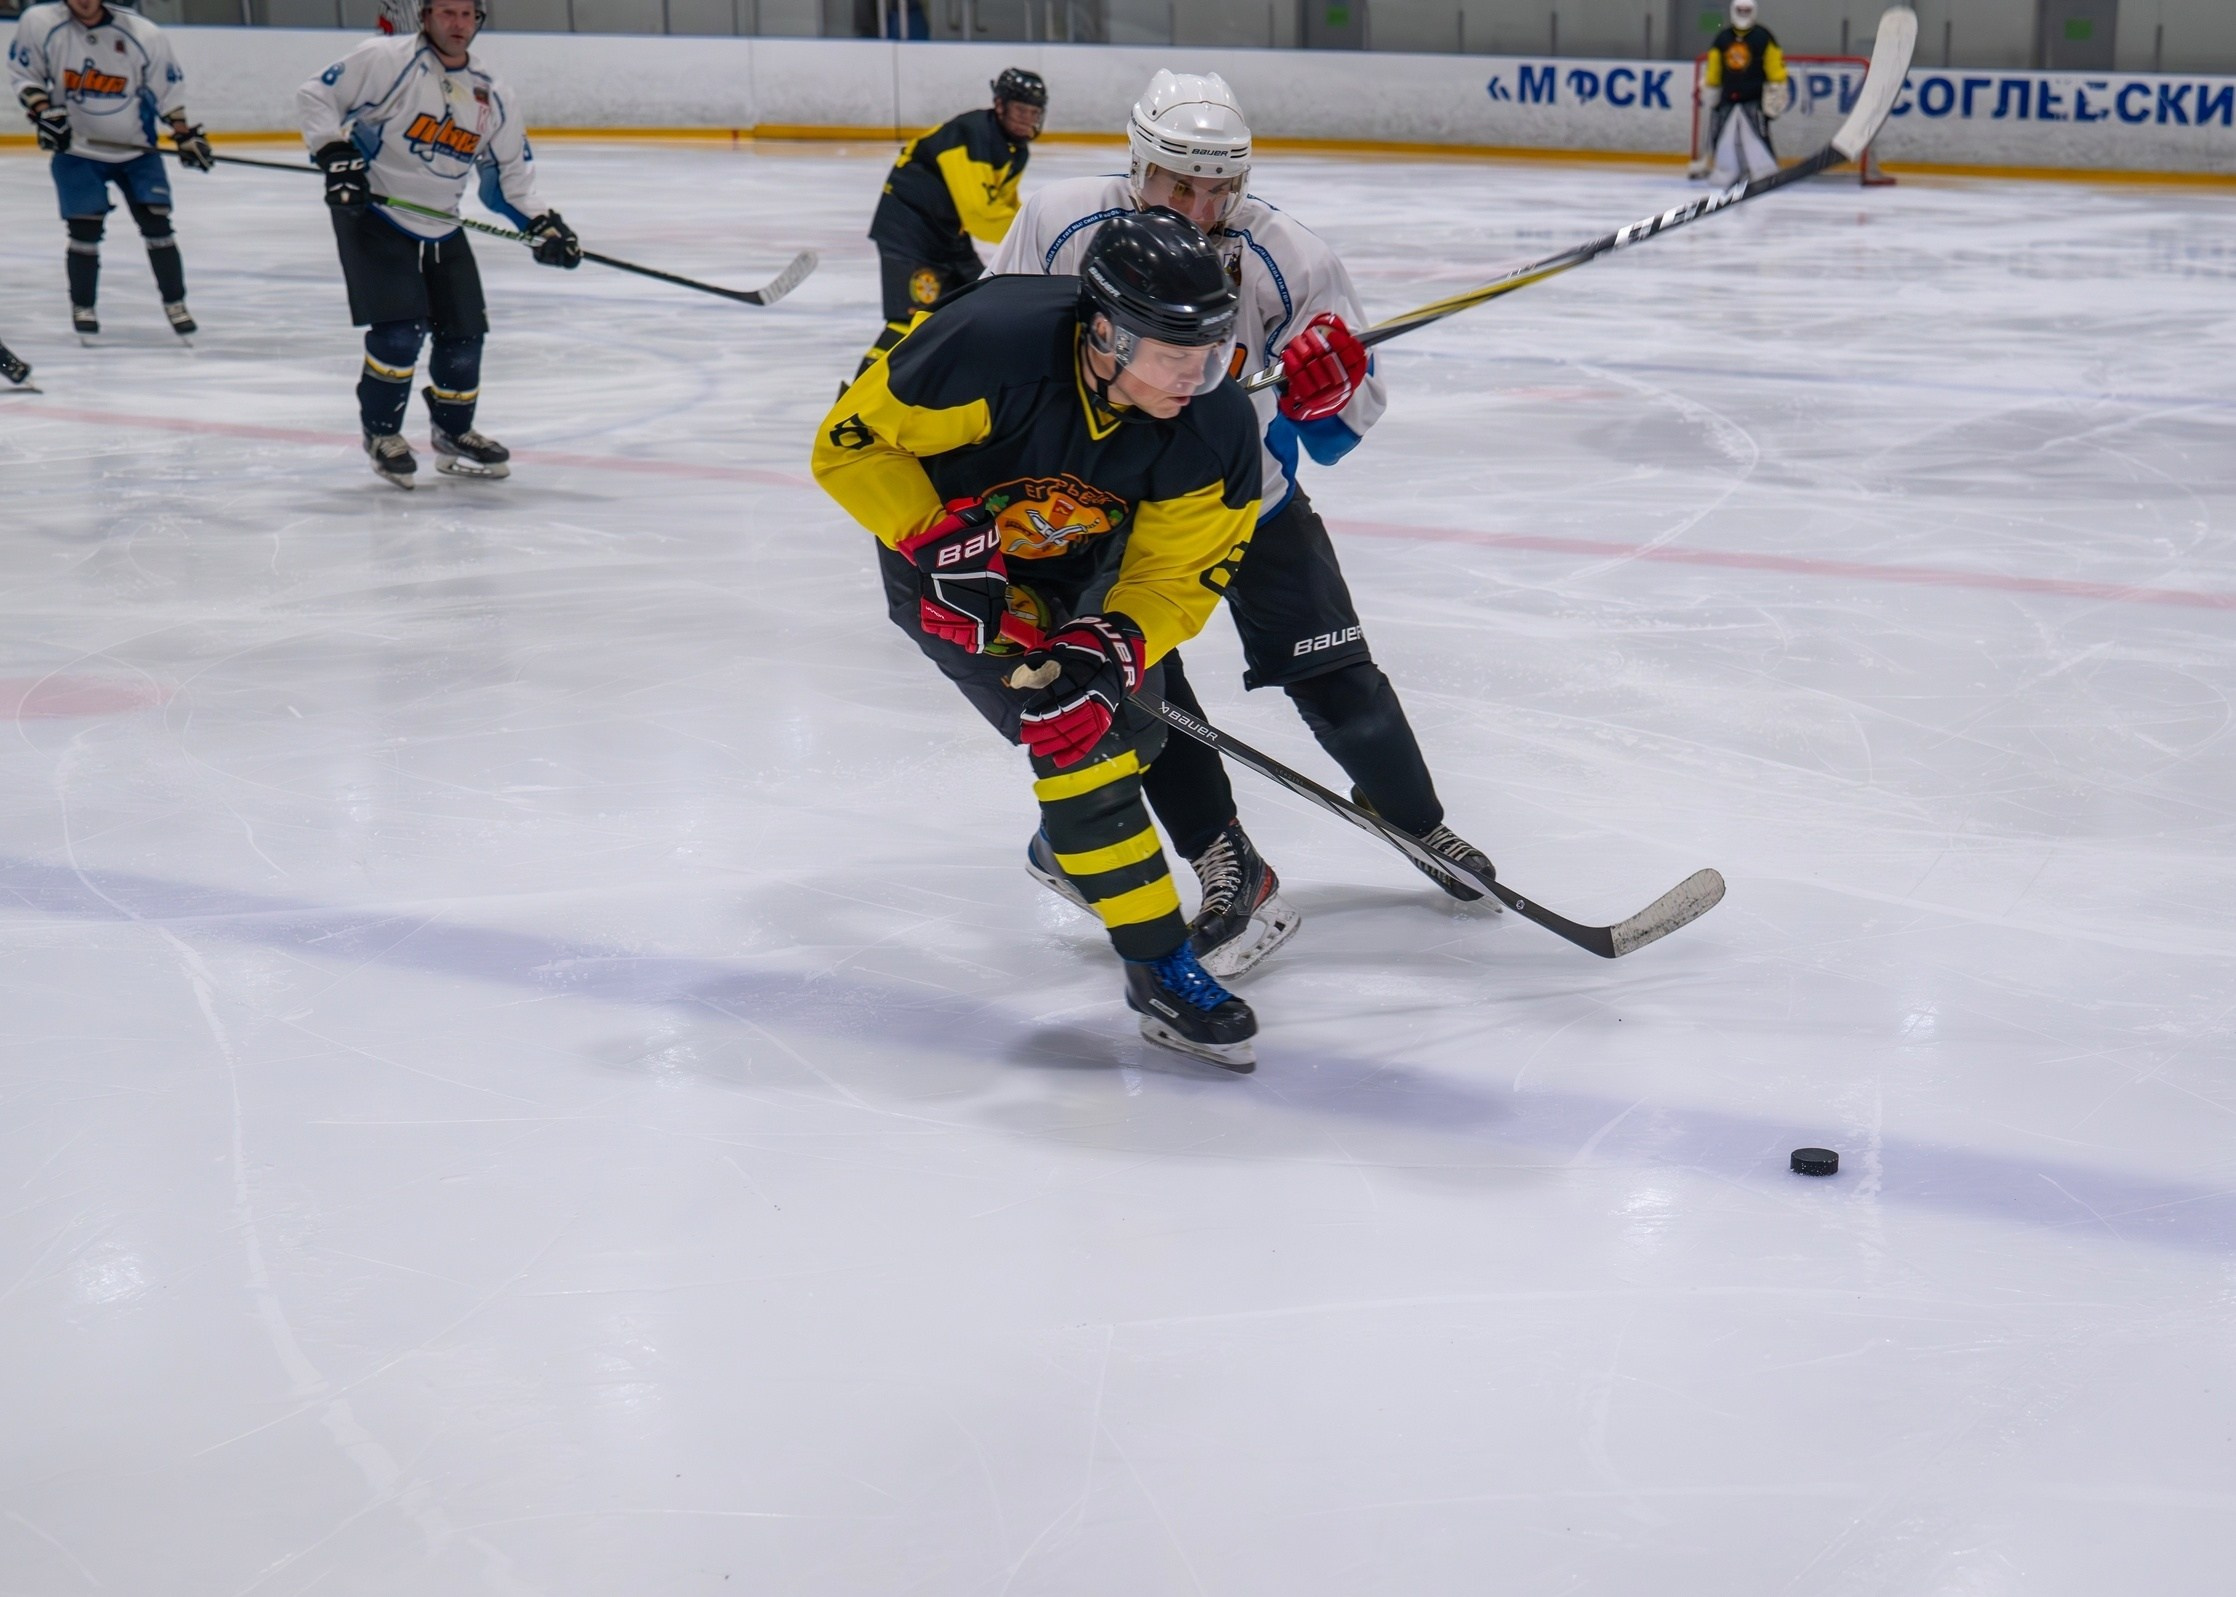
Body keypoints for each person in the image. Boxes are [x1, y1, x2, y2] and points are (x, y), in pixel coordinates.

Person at [988, 70, 1498, 980]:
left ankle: (1415, 820)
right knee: (1144, 689)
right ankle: (1223, 863)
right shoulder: (1061, 222)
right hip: (1111, 517)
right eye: (1179, 183)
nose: (1200, 205)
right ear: (1137, 167)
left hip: (1243, 498)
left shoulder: (1286, 254)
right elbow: (999, 353)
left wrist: (1322, 397)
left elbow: (1338, 434)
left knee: (1342, 682)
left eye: (1219, 185)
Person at [812, 209, 1266, 1071]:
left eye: (1209, 352)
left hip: (1079, 565)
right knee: (1076, 738)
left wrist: (1119, 643)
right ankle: (1158, 968)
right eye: (1176, 354)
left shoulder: (1213, 427)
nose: (1196, 375)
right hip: (950, 569)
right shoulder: (987, 343)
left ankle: (1067, 846)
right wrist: (935, 540)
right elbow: (847, 444)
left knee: (1131, 723)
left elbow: (1177, 575)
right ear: (1105, 332)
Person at [297, 0, 579, 490]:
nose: (458, 24)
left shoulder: (492, 92)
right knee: (400, 333)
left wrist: (544, 225)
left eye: (467, 15)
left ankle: (453, 434)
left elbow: (506, 180)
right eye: (447, 13)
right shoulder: (385, 60)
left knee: (465, 332)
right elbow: (315, 96)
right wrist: (335, 152)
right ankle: (383, 434)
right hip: (374, 214)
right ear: (425, 16)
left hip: (442, 222)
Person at [9, 0, 212, 342]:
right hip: (76, 149)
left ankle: (176, 303)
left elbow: (167, 90)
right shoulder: (41, 22)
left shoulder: (142, 33)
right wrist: (44, 111)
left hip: (136, 148)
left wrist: (182, 133)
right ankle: (83, 306)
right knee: (83, 229)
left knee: (157, 222)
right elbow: (25, 75)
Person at [854, 66, 1045, 378]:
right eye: (1021, 109)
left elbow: (1005, 206)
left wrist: (1032, 229)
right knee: (910, 321)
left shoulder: (1015, 149)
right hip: (908, 232)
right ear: (1000, 105)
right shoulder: (971, 136)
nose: (1028, 118)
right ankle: (852, 404)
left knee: (977, 302)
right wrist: (1037, 233)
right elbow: (981, 216)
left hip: (945, 236)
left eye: (1034, 111)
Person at [1690, 0, 1789, 184]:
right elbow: (1714, 71)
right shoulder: (1722, 38)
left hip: (1753, 100)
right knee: (1723, 139)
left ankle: (1764, 174)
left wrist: (1778, 87)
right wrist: (1708, 86)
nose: (1743, 13)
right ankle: (1726, 174)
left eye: (1747, 10)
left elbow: (1775, 68)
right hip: (1727, 99)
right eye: (1740, 9)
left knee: (1756, 139)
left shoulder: (1763, 36)